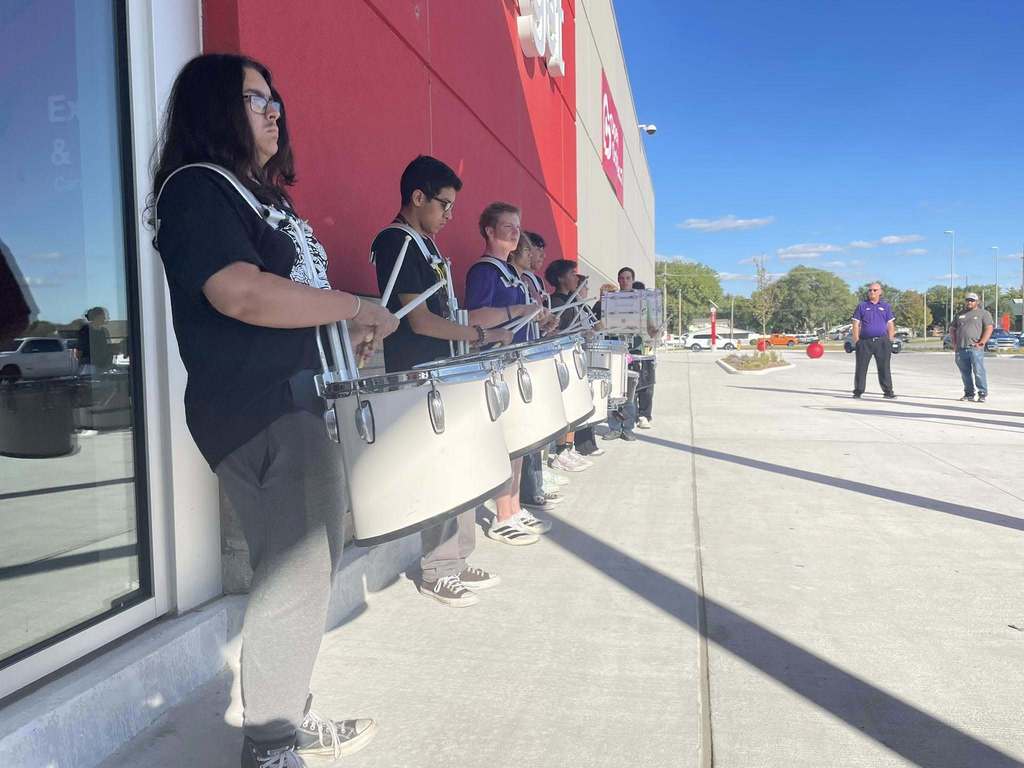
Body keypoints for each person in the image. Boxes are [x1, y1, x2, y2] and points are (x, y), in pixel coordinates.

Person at [151, 53, 397, 768]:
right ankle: (271, 743)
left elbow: (283, 304)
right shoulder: (199, 188)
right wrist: (353, 303)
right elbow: (241, 294)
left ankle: (284, 715)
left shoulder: (264, 197)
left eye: (274, 98)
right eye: (254, 98)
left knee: (304, 572)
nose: (273, 110)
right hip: (260, 411)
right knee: (293, 578)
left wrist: (341, 327)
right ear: (213, 109)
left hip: (296, 403)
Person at [371, 155, 518, 607]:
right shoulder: (396, 241)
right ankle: (437, 569)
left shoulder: (427, 244)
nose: (449, 215)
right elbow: (420, 322)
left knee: (461, 465)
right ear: (418, 197)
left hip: (446, 369)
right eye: (444, 205)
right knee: (439, 470)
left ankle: (457, 557)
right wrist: (479, 333)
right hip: (420, 373)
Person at [464, 202, 552, 544]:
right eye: (508, 227)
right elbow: (476, 319)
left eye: (518, 226)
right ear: (489, 231)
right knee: (506, 442)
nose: (516, 232)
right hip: (496, 365)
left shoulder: (510, 272)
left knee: (518, 441)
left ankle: (512, 507)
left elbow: (514, 319)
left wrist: (539, 320)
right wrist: (520, 308)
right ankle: (502, 515)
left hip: (517, 361)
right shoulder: (484, 271)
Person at [851, 282, 897, 399]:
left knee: (884, 367)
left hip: (882, 342)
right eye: (870, 290)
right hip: (865, 342)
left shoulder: (886, 307)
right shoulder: (862, 306)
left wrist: (890, 340)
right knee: (861, 367)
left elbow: (890, 324)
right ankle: (858, 391)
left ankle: (888, 392)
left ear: (880, 292)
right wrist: (856, 340)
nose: (872, 292)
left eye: (875, 290)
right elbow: (855, 323)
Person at [951, 291, 994, 402]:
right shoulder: (959, 314)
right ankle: (969, 394)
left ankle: (982, 393)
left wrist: (982, 342)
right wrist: (954, 344)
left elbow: (989, 328)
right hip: (961, 349)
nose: (969, 302)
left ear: (977, 302)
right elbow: (952, 329)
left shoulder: (983, 313)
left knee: (979, 371)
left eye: (972, 300)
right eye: (968, 300)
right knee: (965, 373)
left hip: (975, 348)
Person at [76, 306, 114, 376]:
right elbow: (79, 350)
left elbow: (106, 348)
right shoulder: (85, 330)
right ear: (97, 317)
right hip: (89, 366)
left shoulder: (103, 331)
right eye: (103, 316)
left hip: (102, 366)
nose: (105, 319)